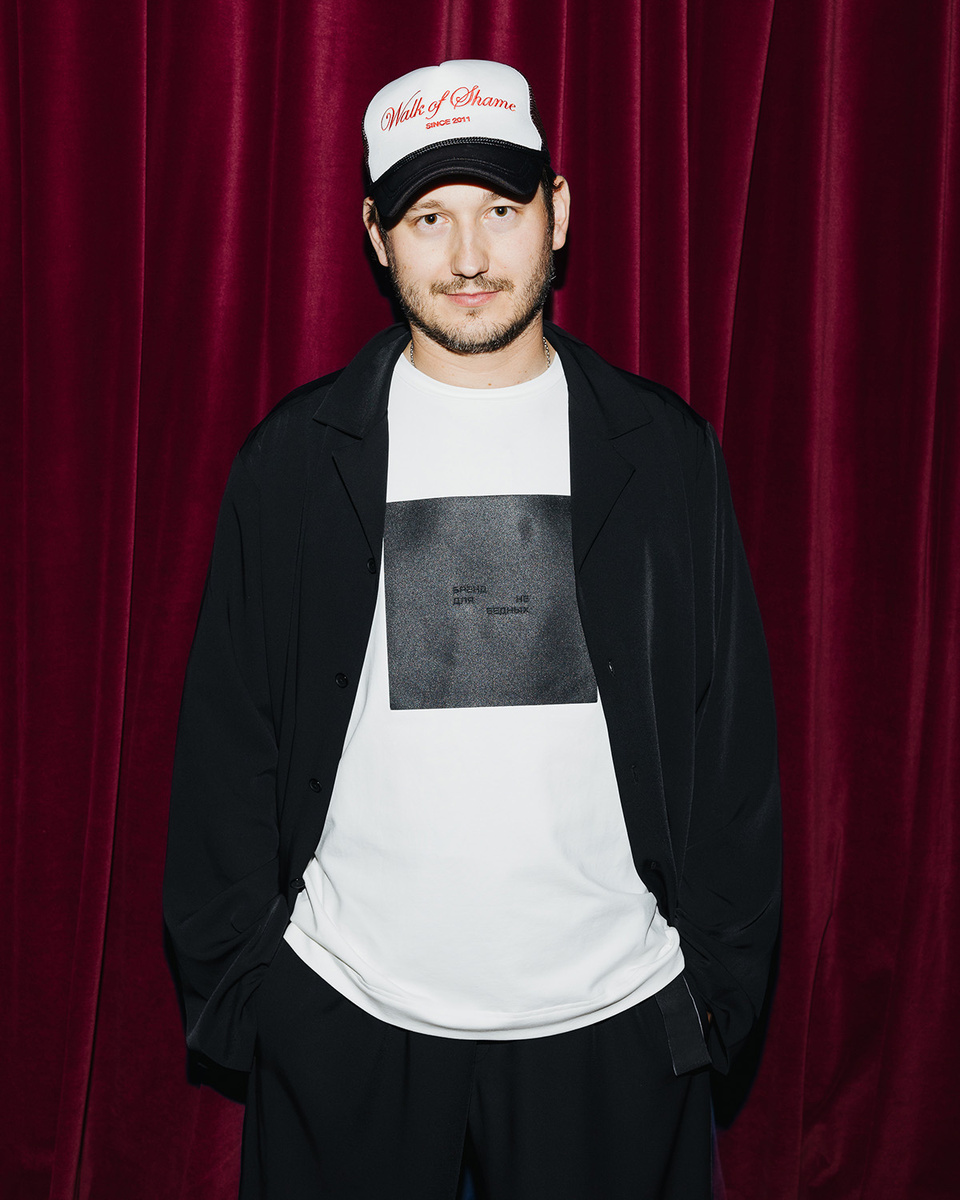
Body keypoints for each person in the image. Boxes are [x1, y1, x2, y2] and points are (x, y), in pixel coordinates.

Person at [163, 59, 781, 1200]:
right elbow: (225, 749)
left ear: (559, 211)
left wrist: (711, 1001)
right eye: (427, 217)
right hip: (347, 1027)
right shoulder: (295, 464)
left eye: (500, 209)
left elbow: (733, 748)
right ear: (374, 233)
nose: (467, 256)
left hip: (616, 1029)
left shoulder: (663, 455)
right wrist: (260, 1004)